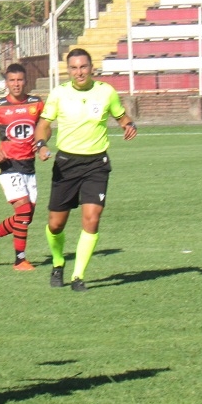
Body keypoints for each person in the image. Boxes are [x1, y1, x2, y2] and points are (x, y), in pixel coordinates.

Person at [34, 48, 137, 291]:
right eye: (74, 68)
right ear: (68, 70)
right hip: (66, 164)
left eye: (83, 67)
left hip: (96, 165)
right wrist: (41, 143)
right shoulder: (59, 94)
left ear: (91, 68)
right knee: (56, 224)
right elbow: (44, 124)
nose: (79, 72)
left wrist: (129, 125)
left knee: (92, 219)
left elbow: (121, 117)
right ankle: (58, 263)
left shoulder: (106, 92)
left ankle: (78, 276)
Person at [0, 63, 44, 271]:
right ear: (6, 83)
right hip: (8, 166)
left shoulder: (36, 103)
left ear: (26, 81)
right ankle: (20, 260)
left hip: (29, 166)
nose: (16, 84)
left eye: (20, 80)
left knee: (26, 217)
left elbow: (43, 127)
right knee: (23, 210)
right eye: (12, 80)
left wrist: (41, 144)